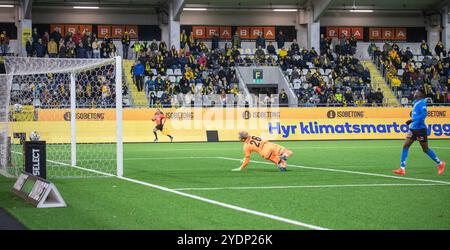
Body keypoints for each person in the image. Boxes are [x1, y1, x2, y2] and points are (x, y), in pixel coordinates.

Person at [393, 89, 445, 175]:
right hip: (413, 129)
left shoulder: (422, 102)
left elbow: (424, 114)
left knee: (425, 149)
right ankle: (402, 168)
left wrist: (412, 119)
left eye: (416, 92)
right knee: (405, 146)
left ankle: (440, 163)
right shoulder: (416, 102)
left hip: (420, 130)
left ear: (421, 94)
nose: (414, 93)